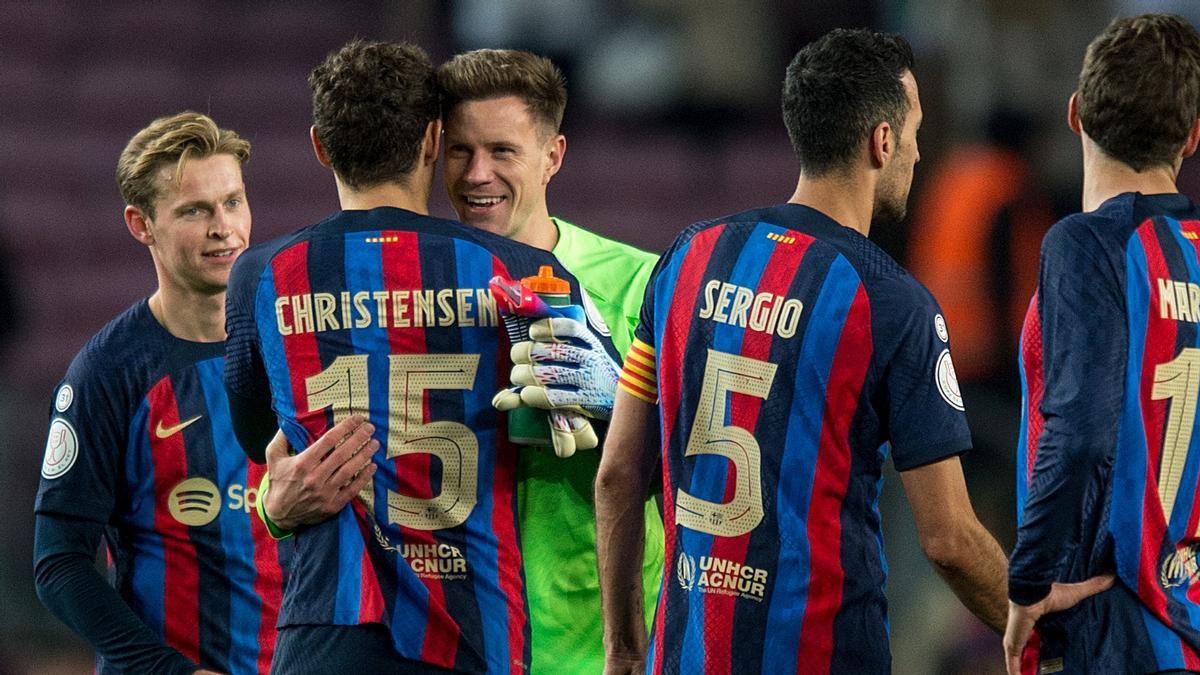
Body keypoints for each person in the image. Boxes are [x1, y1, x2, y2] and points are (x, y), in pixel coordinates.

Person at [595, 28, 1021, 673]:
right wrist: (1041, 633)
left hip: (683, 655)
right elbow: (952, 540)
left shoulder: (687, 258)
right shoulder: (891, 303)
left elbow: (620, 475)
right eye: (913, 133)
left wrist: (624, 649)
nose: (916, 151)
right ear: (882, 141)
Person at [223, 39, 607, 674]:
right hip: (474, 626)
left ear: (319, 145)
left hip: (327, 628)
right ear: (434, 140)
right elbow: (607, 424)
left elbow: (257, 437)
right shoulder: (520, 269)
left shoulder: (261, 275)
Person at [31, 111, 299, 674]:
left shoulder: (297, 344)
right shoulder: (107, 372)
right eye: (194, 211)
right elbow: (59, 565)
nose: (223, 227)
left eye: (232, 201)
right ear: (141, 223)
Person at [436, 47, 663, 673]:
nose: (478, 173)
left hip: (601, 648)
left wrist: (624, 402)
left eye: (503, 151)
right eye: (461, 150)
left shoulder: (642, 283)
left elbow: (710, 466)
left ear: (553, 156)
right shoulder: (417, 289)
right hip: (463, 642)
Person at [1005, 13, 1200, 675]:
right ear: (1192, 136)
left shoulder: (1085, 245)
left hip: (1118, 624)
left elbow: (1082, 428)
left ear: (1076, 112)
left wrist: (1028, 579)